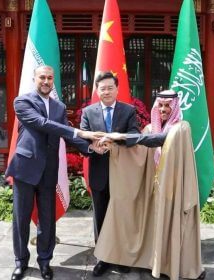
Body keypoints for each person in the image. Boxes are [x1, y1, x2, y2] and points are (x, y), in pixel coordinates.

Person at [94, 89, 206, 280]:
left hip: (173, 188)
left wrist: (120, 136)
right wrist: (114, 146)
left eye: (167, 106)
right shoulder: (148, 128)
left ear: (175, 107)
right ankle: (155, 263)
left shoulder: (181, 128)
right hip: (152, 188)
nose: (163, 109)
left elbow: (160, 140)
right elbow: (137, 151)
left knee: (173, 225)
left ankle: (176, 266)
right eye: (160, 105)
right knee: (153, 224)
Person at [6, 65, 103, 280]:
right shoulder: (22, 102)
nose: (46, 81)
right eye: (42, 77)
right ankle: (20, 262)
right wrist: (80, 130)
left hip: (49, 171)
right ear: (35, 78)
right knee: (20, 219)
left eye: (50, 78)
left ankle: (44, 262)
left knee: (47, 221)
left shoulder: (59, 107)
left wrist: (89, 147)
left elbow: (66, 135)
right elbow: (42, 124)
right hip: (25, 168)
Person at [80, 71, 140, 276]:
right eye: (102, 88)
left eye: (109, 87)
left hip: (122, 173)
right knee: (101, 216)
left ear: (117, 89)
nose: (106, 91)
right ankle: (103, 257)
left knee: (122, 215)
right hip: (99, 172)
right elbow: (81, 139)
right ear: (97, 90)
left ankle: (122, 256)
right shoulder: (88, 112)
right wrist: (92, 148)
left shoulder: (128, 111)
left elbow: (135, 136)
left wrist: (115, 140)